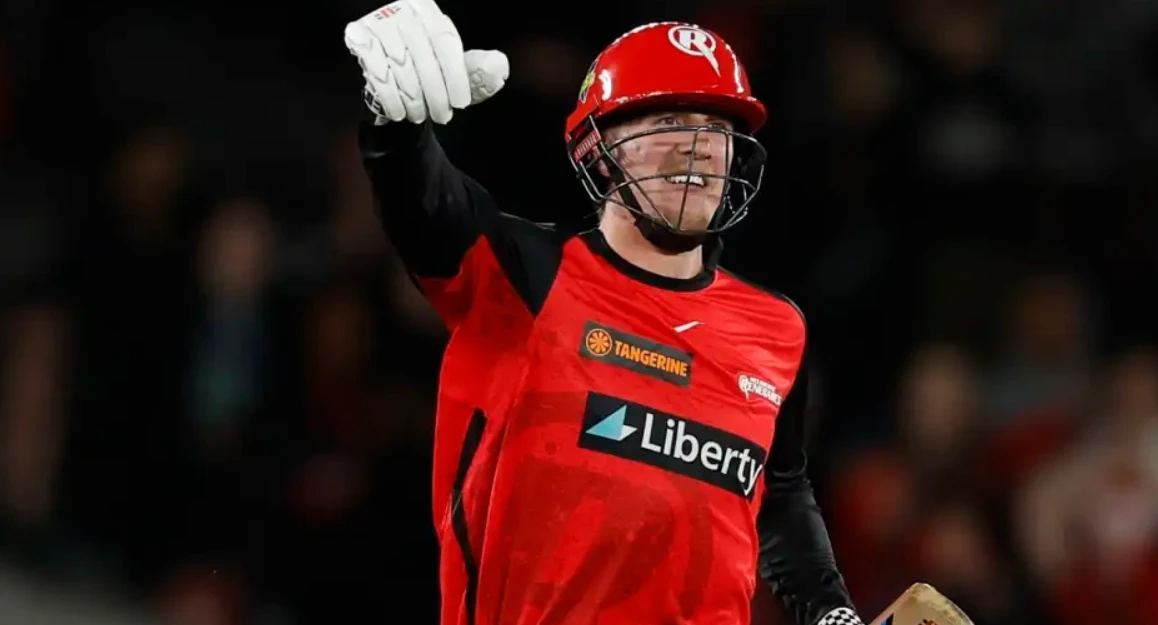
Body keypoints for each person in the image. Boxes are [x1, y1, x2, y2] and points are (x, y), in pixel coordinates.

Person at [343, 1, 863, 624]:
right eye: (669, 119)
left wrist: (831, 610)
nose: (696, 147)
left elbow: (778, 491)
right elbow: (421, 202)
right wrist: (392, 125)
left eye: (715, 124)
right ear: (599, 149)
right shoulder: (524, 277)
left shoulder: (778, 329)